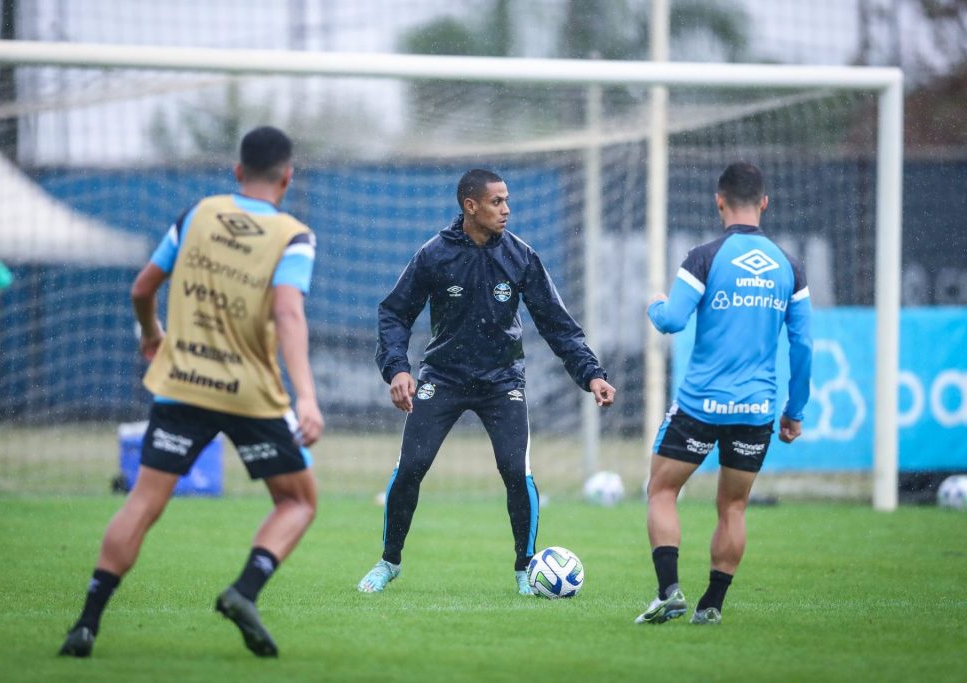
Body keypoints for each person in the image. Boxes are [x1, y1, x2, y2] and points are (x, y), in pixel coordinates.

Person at [59, 126, 323, 658]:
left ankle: (86, 623)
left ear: (237, 172)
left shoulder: (197, 214)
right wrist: (308, 398)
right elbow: (288, 312)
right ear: (288, 178)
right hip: (249, 392)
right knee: (297, 500)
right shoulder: (294, 236)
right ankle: (244, 591)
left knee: (144, 502)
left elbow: (141, 288)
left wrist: (152, 333)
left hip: (182, 385)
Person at [358, 168, 617, 595]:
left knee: (517, 471)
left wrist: (592, 374)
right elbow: (394, 313)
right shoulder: (434, 254)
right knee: (412, 468)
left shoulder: (521, 256)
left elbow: (557, 325)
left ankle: (525, 570)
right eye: (497, 202)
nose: (506, 210)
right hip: (443, 376)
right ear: (470, 206)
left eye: (507, 200)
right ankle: (389, 562)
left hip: (502, 382)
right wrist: (397, 369)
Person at [636, 161, 812, 626]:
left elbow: (672, 320)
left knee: (661, 489)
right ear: (764, 203)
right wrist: (794, 411)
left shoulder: (706, 256)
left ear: (719, 201)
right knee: (733, 505)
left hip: (700, 403)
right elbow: (804, 345)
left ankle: (669, 591)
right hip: (756, 408)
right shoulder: (789, 266)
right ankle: (711, 605)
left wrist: (654, 305)